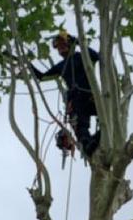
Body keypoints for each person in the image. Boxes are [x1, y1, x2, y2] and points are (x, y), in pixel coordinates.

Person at [32, 30, 100, 158]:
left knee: (108, 116)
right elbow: (42, 77)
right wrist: (27, 65)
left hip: (91, 96)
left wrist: (78, 42)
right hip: (76, 100)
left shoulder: (83, 56)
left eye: (63, 45)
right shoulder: (60, 66)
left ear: (70, 44)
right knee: (80, 127)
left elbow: (97, 56)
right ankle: (87, 143)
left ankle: (98, 138)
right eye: (59, 47)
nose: (61, 49)